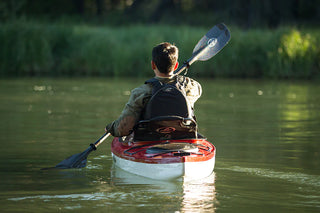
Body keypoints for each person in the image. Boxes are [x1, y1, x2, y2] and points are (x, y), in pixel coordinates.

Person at [105, 42, 202, 138]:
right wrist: (177, 80)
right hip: (183, 138)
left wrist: (111, 128)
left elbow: (124, 128)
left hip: (149, 139)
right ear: (176, 65)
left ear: (153, 65)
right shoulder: (191, 86)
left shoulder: (141, 92)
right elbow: (198, 89)